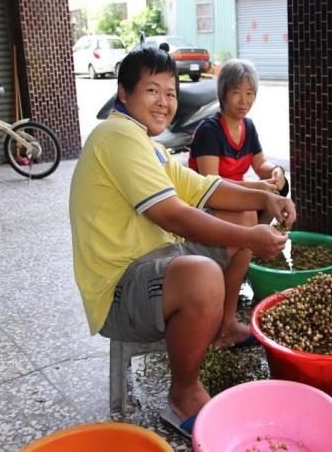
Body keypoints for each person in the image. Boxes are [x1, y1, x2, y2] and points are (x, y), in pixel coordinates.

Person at [69, 47, 296, 437]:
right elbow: (172, 214)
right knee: (203, 275)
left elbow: (204, 188)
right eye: (152, 91)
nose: (164, 103)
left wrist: (264, 197)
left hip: (159, 260)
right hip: (120, 290)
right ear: (124, 93)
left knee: (238, 217)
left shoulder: (149, 146)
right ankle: (184, 394)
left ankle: (223, 324)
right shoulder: (116, 136)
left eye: (171, 93)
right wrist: (251, 237)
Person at [189, 58, 288, 211]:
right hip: (205, 202)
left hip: (236, 196)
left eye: (249, 93)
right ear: (223, 93)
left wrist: (276, 172)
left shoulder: (248, 127)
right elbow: (211, 183)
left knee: (276, 194)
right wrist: (255, 187)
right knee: (251, 210)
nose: (244, 101)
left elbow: (260, 164)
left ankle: (259, 233)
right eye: (236, 92)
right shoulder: (209, 130)